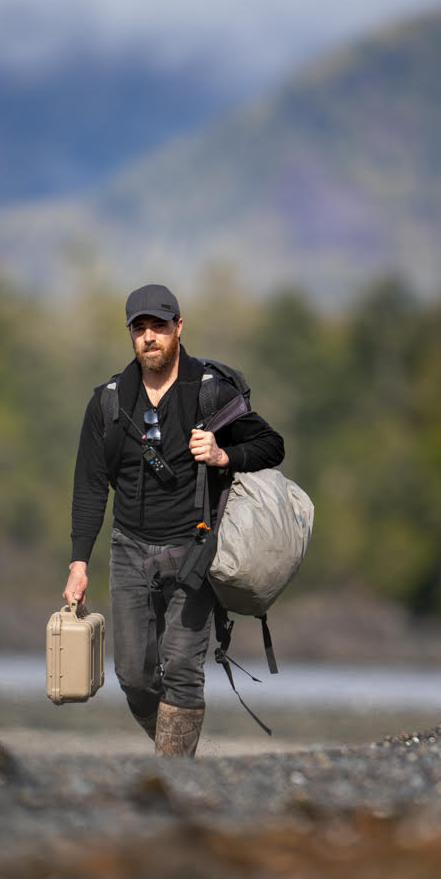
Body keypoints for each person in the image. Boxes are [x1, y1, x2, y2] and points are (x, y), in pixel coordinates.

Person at [63, 284, 284, 756]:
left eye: (159, 327)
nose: (149, 338)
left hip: (194, 547)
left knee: (183, 667)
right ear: (131, 336)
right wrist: (78, 563)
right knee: (134, 676)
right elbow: (88, 486)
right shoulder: (106, 403)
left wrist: (224, 454)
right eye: (139, 329)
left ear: (178, 329)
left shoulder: (210, 392)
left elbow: (272, 445)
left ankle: (173, 777)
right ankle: (177, 758)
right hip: (129, 548)